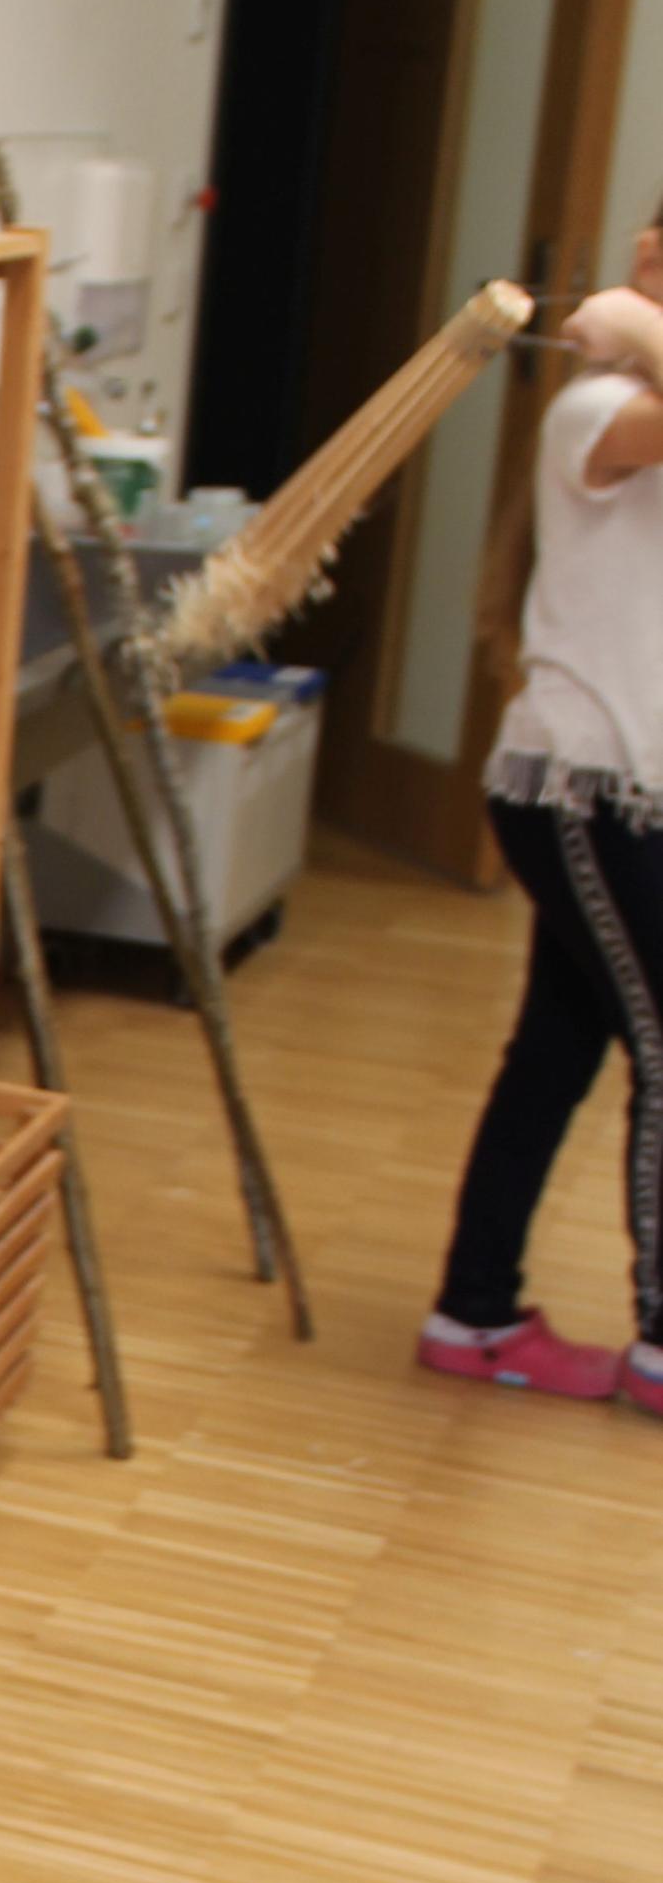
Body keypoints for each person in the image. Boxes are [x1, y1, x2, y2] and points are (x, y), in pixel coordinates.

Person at [422, 195, 663, 1407]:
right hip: (576, 790)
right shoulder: (592, 408)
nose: (648, 255)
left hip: (618, 797)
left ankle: (473, 1316)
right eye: (650, 243)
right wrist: (632, 325)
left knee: (558, 1051)